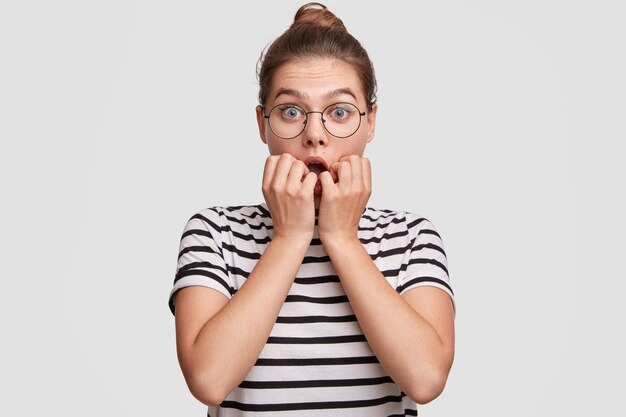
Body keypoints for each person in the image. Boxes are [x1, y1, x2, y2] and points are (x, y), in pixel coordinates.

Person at [168, 3, 455, 416]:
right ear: (262, 124)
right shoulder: (216, 231)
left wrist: (342, 238)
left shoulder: (411, 237)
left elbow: (426, 379)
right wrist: (290, 237)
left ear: (371, 122)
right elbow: (209, 380)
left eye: (339, 112)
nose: (315, 136)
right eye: (290, 112)